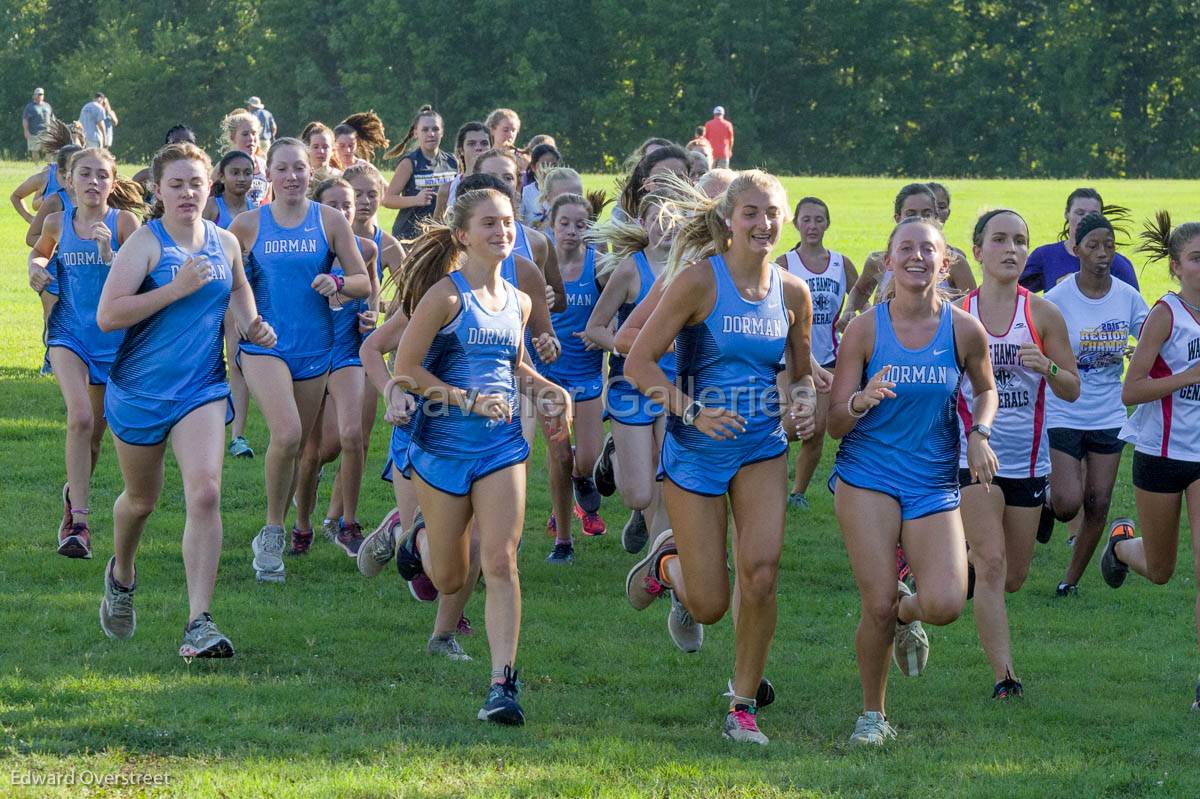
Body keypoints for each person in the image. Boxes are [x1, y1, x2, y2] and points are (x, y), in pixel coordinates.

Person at [622, 171, 817, 745]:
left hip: (760, 447)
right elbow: (639, 363)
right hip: (697, 452)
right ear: (729, 220)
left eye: (772, 213)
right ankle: (665, 563)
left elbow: (800, 377)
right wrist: (690, 411)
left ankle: (742, 704)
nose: (764, 223)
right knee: (708, 605)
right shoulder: (696, 283)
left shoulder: (793, 292)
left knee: (760, 574)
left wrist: (802, 408)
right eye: (751, 213)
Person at [389, 186, 572, 725]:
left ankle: (502, 685)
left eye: (508, 222)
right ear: (463, 235)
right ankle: (416, 533)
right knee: (448, 577)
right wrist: (465, 398)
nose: (502, 231)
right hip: (442, 446)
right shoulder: (445, 297)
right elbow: (406, 371)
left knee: (500, 560)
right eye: (489, 224)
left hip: (501, 446)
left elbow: (511, 366)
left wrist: (545, 388)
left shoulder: (519, 300)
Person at [95, 142, 277, 657]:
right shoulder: (146, 245)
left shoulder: (224, 242)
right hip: (138, 392)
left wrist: (251, 323)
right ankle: (122, 574)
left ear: (210, 185)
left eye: (195, 183)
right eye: (175, 184)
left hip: (201, 388)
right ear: (158, 190)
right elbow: (109, 316)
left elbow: (238, 288)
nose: (187, 193)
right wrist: (174, 290)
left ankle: (199, 622)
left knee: (205, 493)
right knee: (141, 502)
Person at [828, 215, 998, 745]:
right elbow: (835, 423)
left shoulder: (963, 329)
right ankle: (872, 717)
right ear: (889, 259)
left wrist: (979, 433)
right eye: (906, 248)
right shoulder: (865, 328)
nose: (917, 257)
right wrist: (859, 400)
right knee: (874, 604)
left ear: (944, 262)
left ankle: (908, 613)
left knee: (947, 601)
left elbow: (985, 389)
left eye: (928, 250)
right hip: (868, 475)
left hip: (931, 479)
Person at [227, 137, 371, 584]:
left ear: (312, 173)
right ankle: (272, 533)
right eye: (283, 169)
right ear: (267, 175)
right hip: (264, 346)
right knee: (286, 433)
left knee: (296, 448)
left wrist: (336, 280)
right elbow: (228, 287)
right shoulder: (246, 226)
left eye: (300, 169)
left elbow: (363, 280)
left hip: (316, 349)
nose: (292, 176)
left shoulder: (328, 220)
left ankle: (284, 525)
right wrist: (249, 323)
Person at [956, 209, 1080, 699]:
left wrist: (1047, 365)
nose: (1011, 249)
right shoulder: (957, 313)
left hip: (1028, 463)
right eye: (1000, 240)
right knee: (990, 564)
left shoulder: (1043, 314)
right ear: (978, 250)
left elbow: (1071, 387)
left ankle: (938, 571)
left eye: (1020, 241)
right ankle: (1006, 677)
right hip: (971, 456)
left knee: (1013, 576)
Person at [27, 147, 143, 559]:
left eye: (102, 176)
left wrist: (111, 255)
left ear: (113, 183)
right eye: (85, 175)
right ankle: (79, 523)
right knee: (79, 418)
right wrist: (34, 267)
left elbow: (145, 279)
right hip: (68, 334)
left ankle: (71, 494)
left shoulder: (125, 222)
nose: (93, 182)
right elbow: (40, 249)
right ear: (69, 180)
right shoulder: (58, 221)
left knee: (94, 438)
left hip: (114, 341)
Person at [1105, 212, 1200, 710]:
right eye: (1197, 259)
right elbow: (1131, 389)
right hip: (1162, 452)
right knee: (1161, 569)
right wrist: (1190, 376)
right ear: (1176, 265)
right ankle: (1122, 546)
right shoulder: (1166, 314)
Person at [1043, 212, 1148, 596]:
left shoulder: (1127, 297)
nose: (1103, 254)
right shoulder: (1055, 301)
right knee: (1069, 504)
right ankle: (1045, 501)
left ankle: (1069, 581)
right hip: (1063, 410)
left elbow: (1155, 337)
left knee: (1098, 502)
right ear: (1076, 250)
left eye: (1109, 246)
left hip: (1108, 412)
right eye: (1093, 246)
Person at [585, 191, 679, 555]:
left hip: (674, 386)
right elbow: (596, 328)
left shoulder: (692, 271)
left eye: (675, 222)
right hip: (630, 385)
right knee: (639, 492)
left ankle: (659, 562)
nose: (667, 229)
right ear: (643, 224)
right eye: (659, 220)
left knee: (667, 476)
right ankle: (613, 457)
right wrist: (630, 348)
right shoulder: (629, 269)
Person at [291, 177, 379, 556]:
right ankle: (302, 525)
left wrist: (371, 317)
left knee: (352, 435)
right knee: (309, 452)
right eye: (336, 205)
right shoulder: (302, 249)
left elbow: (371, 295)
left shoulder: (366, 248)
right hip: (311, 353)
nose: (344, 211)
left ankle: (349, 523)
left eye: (349, 203)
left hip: (347, 352)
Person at [776, 196, 857, 510]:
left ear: (827, 223)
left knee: (817, 431)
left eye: (819, 219)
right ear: (796, 223)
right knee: (792, 423)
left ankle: (797, 494)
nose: (812, 226)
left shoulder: (841, 263)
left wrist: (852, 316)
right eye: (806, 219)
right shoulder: (784, 264)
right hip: (788, 358)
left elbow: (862, 297)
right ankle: (767, 476)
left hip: (828, 358)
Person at [540, 193, 606, 563]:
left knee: (587, 462)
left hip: (588, 375)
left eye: (580, 225)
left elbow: (619, 309)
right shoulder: (536, 265)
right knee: (560, 457)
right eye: (564, 223)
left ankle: (581, 482)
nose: (571, 231)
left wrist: (604, 328)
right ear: (551, 224)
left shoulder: (599, 265)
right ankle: (563, 541)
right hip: (549, 377)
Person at [841, 183, 976, 322]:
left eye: (926, 214)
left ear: (936, 217)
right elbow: (860, 290)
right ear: (898, 218)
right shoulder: (878, 261)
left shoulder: (954, 262)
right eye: (910, 214)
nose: (918, 219)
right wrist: (849, 310)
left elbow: (973, 304)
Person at [202, 151, 261, 459]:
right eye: (235, 172)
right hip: (208, 293)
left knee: (237, 359)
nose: (241, 178)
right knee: (208, 361)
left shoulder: (257, 212)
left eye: (247, 173)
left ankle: (238, 435)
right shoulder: (212, 207)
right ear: (221, 176)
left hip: (240, 293)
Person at [1020, 188, 1139, 293]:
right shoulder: (1045, 256)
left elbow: (1135, 310)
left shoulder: (1116, 263)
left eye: (1093, 214)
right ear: (1067, 214)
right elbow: (1013, 293)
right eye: (1080, 213)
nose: (1086, 219)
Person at [382, 105, 457, 240]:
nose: (431, 134)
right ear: (416, 133)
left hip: (441, 235)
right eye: (425, 130)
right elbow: (388, 200)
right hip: (410, 235)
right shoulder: (410, 163)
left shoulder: (452, 162)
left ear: (442, 132)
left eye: (435, 129)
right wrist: (416, 200)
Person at [433, 121, 492, 222]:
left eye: (484, 143)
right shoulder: (447, 189)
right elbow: (435, 229)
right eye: (471, 144)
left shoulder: (500, 184)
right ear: (461, 150)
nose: (478, 148)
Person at [221, 110, 269, 206]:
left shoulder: (264, 165)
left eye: (254, 133)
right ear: (232, 137)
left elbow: (268, 199)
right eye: (245, 134)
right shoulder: (223, 166)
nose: (251, 138)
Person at [518, 143, 560, 226]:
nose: (549, 169)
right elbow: (519, 223)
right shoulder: (525, 193)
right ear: (533, 167)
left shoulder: (564, 191)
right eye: (544, 165)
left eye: (554, 165)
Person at [22, 87, 54, 160]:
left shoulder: (48, 106)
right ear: (34, 95)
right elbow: (25, 119)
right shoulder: (29, 107)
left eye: (41, 94)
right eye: (38, 94)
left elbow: (52, 119)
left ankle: (48, 167)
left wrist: (53, 130)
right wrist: (26, 131)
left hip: (47, 132)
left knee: (50, 150)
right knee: (35, 151)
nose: (40, 95)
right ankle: (36, 167)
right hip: (34, 133)